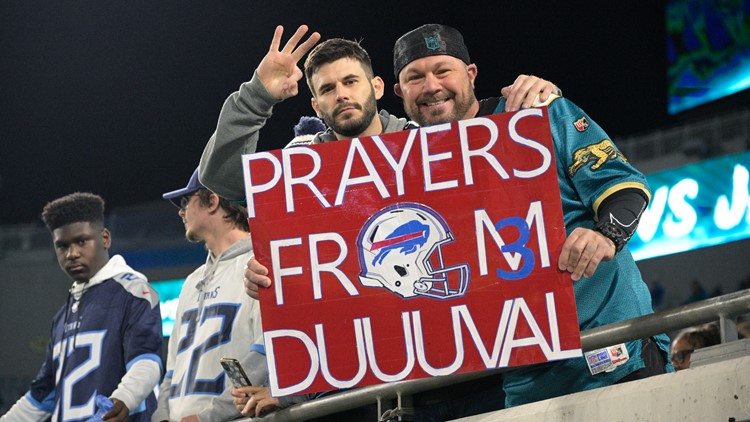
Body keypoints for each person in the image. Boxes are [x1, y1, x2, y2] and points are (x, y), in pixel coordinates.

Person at [390, 23, 673, 407]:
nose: (431, 86)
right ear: (399, 93)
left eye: (443, 70)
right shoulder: (404, 167)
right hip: (523, 377)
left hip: (610, 346)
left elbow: (624, 186)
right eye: (415, 77)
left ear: (470, 74)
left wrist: (606, 235)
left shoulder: (535, 112)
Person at [198, 24, 560, 203]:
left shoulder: (426, 141)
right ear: (315, 106)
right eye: (327, 89)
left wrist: (546, 97)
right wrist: (256, 97)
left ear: (377, 88)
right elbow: (224, 180)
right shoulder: (302, 164)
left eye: (350, 82)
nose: (341, 95)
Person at [154, 168, 309, 421]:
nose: (181, 212)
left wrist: (208, 417)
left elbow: (267, 353)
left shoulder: (259, 265)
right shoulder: (191, 281)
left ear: (212, 200)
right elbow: (171, 371)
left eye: (186, 201)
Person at [1, 192, 162, 421]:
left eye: (81, 241)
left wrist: (124, 399)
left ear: (105, 238)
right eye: (62, 246)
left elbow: (147, 362)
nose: (72, 254)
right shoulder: (61, 317)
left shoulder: (134, 291)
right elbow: (42, 395)